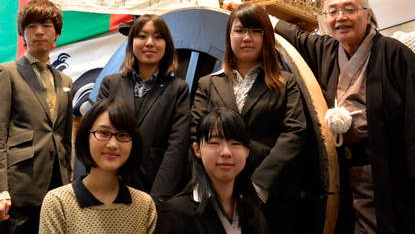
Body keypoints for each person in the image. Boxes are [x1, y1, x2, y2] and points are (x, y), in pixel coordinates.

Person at [223, 0, 415, 233]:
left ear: (368, 15)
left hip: (390, 170)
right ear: (326, 19)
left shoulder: (393, 52)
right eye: (332, 12)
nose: (340, 18)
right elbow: (295, 36)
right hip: (345, 174)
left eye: (350, 9)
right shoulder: (326, 50)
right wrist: (248, 11)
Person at [191, 3, 307, 234]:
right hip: (217, 189)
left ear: (267, 36)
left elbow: (295, 133)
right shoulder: (208, 83)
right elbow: (196, 131)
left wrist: (260, 186)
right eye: (240, 30)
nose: (247, 38)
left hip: (274, 192)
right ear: (229, 36)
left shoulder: (286, 82)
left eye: (256, 31)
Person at [0, 0, 74, 234]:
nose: (39, 32)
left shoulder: (65, 81)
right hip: (17, 188)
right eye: (31, 26)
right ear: (23, 34)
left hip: (56, 189)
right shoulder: (7, 73)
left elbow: (65, 138)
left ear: (57, 33)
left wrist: (68, 182)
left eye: (46, 25)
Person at [97, 14, 190, 207]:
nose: (149, 43)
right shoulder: (110, 84)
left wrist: (158, 199)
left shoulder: (178, 89)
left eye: (158, 37)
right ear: (132, 42)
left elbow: (178, 146)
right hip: (110, 189)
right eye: (142, 36)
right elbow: (99, 137)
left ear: (167, 44)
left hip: (154, 190)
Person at [39, 98, 156, 234]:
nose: (113, 144)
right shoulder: (58, 202)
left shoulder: (144, 205)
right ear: (86, 137)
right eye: (103, 133)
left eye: (123, 135)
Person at [156, 107, 268, 234]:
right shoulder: (176, 212)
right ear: (197, 150)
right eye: (214, 143)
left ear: (247, 150)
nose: (226, 152)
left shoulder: (253, 214)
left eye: (235, 143)